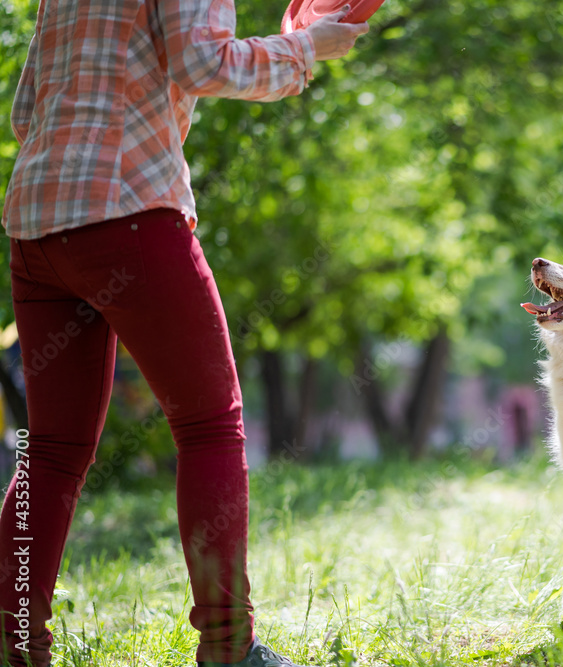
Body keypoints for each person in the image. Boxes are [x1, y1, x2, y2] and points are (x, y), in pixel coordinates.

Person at [0, 1, 369, 666]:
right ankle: (228, 647)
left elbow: (24, 109)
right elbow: (204, 63)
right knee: (208, 426)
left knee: (51, 451)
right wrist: (310, 49)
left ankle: (12, 640)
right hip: (130, 211)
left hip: (36, 222)